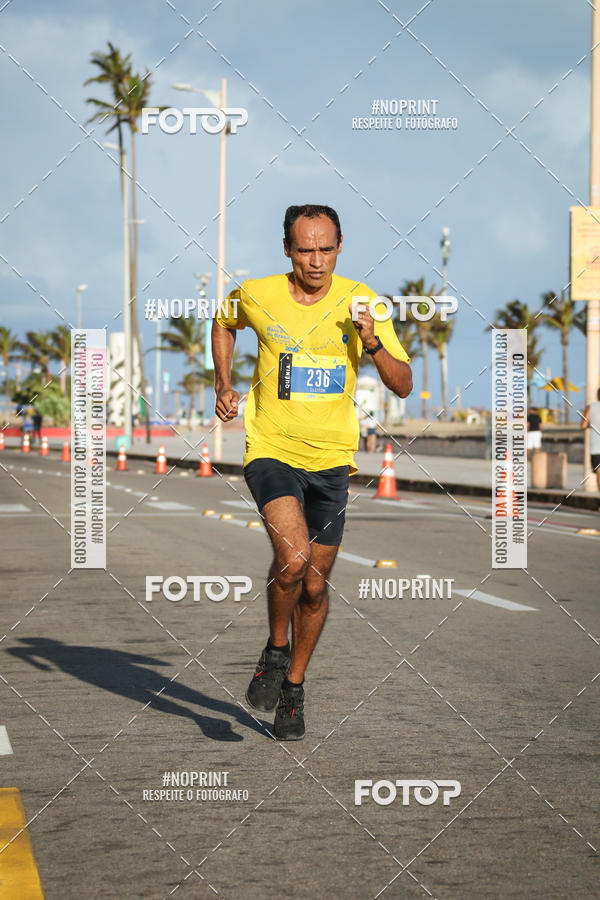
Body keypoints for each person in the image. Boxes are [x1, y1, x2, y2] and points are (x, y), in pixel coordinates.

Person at [212, 204, 412, 741]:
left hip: (333, 460)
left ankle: (293, 686)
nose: (316, 261)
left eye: (326, 248)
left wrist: (370, 342)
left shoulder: (362, 302)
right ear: (287, 250)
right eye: (305, 249)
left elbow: (403, 384)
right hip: (272, 448)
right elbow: (223, 322)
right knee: (293, 558)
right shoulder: (257, 293)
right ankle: (276, 649)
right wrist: (223, 384)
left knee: (316, 587)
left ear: (340, 247)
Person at [580, 387, 600, 490]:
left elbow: (583, 425)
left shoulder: (590, 407)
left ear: (598, 395)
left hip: (596, 447)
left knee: (599, 475)